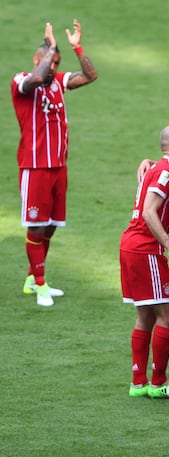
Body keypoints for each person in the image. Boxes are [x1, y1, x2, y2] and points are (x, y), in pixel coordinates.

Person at [11, 19, 98, 307]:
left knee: (50, 226)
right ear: (37, 60)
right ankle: (40, 284)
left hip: (59, 168)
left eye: (56, 63)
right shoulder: (22, 81)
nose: (53, 68)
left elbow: (91, 75)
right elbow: (36, 79)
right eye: (49, 62)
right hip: (34, 168)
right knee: (36, 227)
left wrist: (76, 47)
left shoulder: (59, 83)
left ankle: (31, 279)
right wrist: (50, 46)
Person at [120, 125, 169, 399]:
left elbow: (155, 214)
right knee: (168, 315)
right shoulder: (167, 171)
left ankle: (138, 383)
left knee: (146, 315)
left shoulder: (158, 168)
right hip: (145, 248)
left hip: (133, 245)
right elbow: (150, 212)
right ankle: (158, 383)